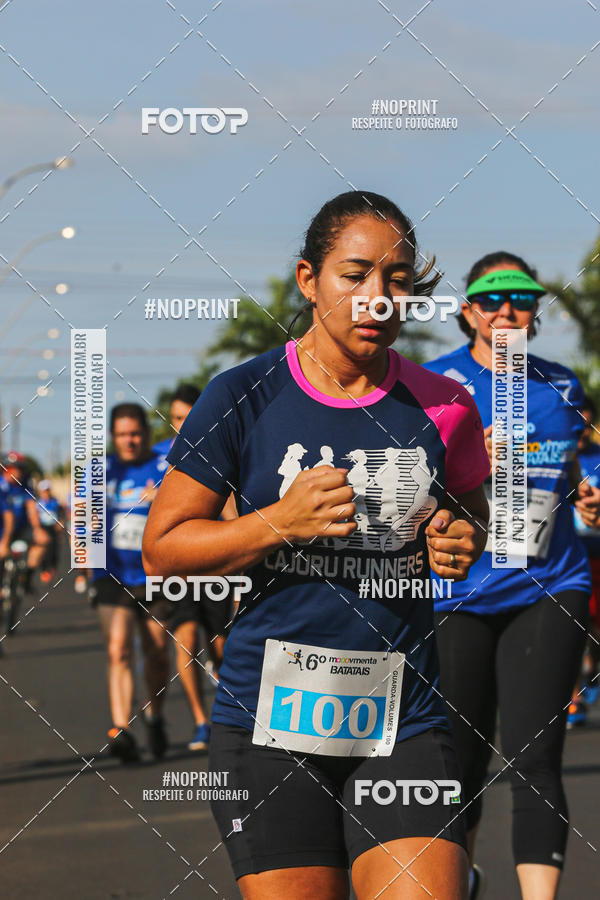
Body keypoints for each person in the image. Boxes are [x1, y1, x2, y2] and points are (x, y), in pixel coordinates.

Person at [143, 190, 491, 900]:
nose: (377, 299)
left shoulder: (445, 405)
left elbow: (470, 521)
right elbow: (164, 549)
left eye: (397, 282)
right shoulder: (243, 393)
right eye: (354, 275)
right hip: (267, 724)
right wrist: (278, 522)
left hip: (403, 719)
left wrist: (460, 540)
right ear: (309, 279)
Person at [424, 253, 600, 900]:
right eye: (491, 299)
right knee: (460, 766)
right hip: (455, 595)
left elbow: (583, 462)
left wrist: (591, 492)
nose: (506, 311)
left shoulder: (563, 386)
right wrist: (462, 462)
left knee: (535, 760)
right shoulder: (433, 384)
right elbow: (393, 486)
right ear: (467, 310)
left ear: (535, 313)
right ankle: (459, 884)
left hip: (549, 586)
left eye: (521, 299)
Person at [154, 383, 236, 751]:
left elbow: (236, 516)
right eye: (175, 418)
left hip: (219, 564)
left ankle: (226, 716)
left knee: (221, 647)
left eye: (187, 417)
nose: (181, 424)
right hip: (180, 570)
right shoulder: (158, 458)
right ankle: (201, 722)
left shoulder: (223, 450)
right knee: (184, 640)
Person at [90, 403, 171, 763]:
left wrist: (161, 500)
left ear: (146, 433)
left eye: (135, 433)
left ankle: (153, 716)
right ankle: (121, 728)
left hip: (154, 573)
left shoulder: (163, 467)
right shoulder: (100, 471)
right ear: (113, 436)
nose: (129, 440)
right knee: (117, 649)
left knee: (155, 652)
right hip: (112, 573)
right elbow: (84, 521)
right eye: (122, 434)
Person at [568, 395, 600, 726]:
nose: (582, 432)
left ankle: (590, 681)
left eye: (587, 425)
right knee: (573, 626)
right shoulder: (557, 458)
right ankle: (573, 696)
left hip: (598, 553)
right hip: (567, 556)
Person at [0, 451, 50, 592]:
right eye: (15, 468)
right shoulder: (2, 486)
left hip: (21, 527)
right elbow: (8, 516)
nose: (18, 472)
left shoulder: (25, 483)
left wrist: (37, 528)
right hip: (3, 529)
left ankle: (26, 578)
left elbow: (31, 507)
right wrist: (4, 541)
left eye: (21, 468)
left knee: (43, 541)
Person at [35, 479, 65, 583]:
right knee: (44, 550)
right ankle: (44, 570)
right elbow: (34, 517)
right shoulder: (38, 503)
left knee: (54, 549)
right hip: (43, 528)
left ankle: (53, 567)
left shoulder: (55, 501)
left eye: (47, 491)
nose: (46, 493)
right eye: (44, 491)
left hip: (53, 528)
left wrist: (60, 523)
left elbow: (61, 513)